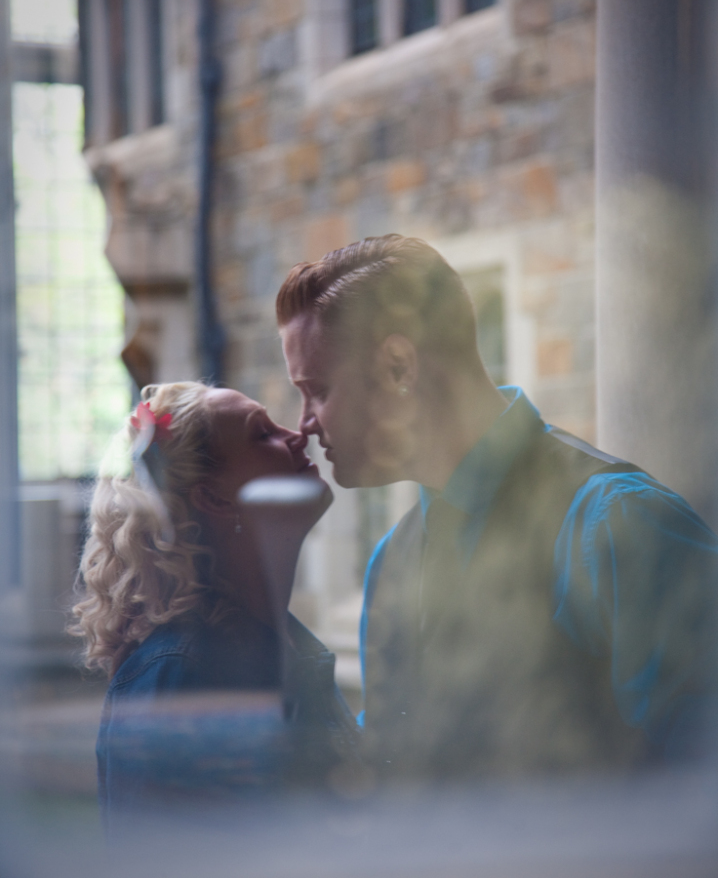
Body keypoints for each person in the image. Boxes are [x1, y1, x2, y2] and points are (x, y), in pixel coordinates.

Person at [278, 234, 718, 780]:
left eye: (318, 389)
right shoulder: (390, 562)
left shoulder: (618, 522)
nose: (304, 424)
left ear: (398, 366)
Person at [70, 381, 358, 826]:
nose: (298, 435)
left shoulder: (288, 643)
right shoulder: (180, 672)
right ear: (213, 497)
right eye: (263, 433)